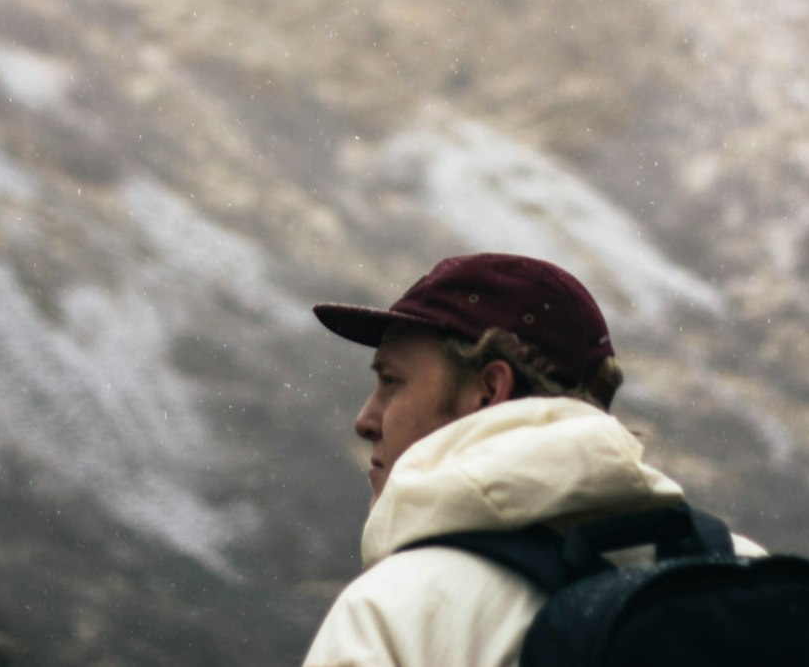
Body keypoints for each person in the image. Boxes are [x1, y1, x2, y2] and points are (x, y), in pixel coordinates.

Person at [303, 251, 762, 667]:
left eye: (391, 381)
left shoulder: (396, 611)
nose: (366, 420)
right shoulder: (746, 574)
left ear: (488, 391)